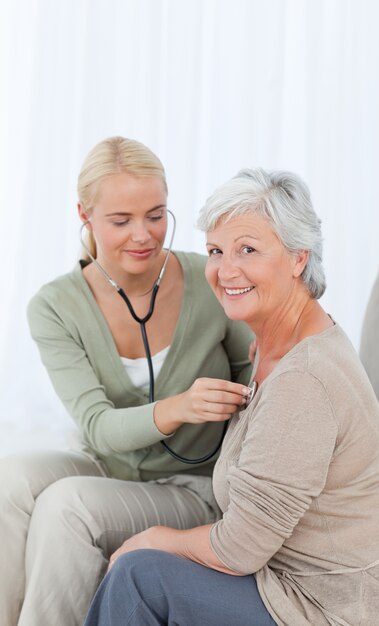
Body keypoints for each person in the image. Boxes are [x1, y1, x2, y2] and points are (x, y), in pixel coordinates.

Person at [84, 168, 379, 626]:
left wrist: (155, 537)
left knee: (139, 575)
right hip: (290, 580)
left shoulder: (305, 379)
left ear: (299, 258)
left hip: (341, 607)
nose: (226, 270)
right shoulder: (271, 345)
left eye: (248, 250)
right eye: (216, 251)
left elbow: (239, 550)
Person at [0, 137, 254, 626]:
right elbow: (97, 427)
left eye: (156, 215)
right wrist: (179, 407)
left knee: (65, 505)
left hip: (193, 485)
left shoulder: (211, 278)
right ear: (85, 214)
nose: (143, 235)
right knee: (8, 481)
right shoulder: (54, 306)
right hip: (108, 463)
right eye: (121, 221)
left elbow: (261, 377)